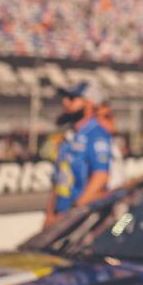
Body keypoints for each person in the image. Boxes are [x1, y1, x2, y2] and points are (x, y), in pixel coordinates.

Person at [44, 80, 113, 228]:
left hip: (79, 220)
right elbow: (58, 180)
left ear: (89, 104)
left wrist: (74, 212)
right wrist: (50, 214)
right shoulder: (68, 134)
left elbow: (101, 177)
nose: (65, 102)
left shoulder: (96, 134)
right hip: (60, 217)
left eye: (72, 98)